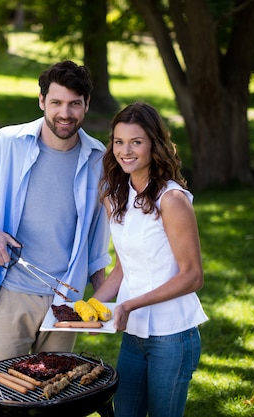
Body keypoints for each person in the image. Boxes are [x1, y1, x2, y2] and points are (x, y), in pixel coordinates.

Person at [0, 60, 111, 367]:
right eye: (56, 103)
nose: (65, 113)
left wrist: (101, 300)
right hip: (13, 292)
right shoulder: (7, 143)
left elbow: (96, 239)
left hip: (68, 299)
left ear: (87, 105)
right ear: (42, 101)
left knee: (53, 395)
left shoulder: (99, 159)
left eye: (74, 104)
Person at [93, 102, 208, 417]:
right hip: (135, 333)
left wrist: (129, 305)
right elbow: (122, 268)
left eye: (136, 142)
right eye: (119, 141)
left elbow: (193, 276)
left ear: (154, 145)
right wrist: (91, 308)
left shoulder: (172, 200)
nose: (125, 150)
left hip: (172, 334)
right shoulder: (115, 196)